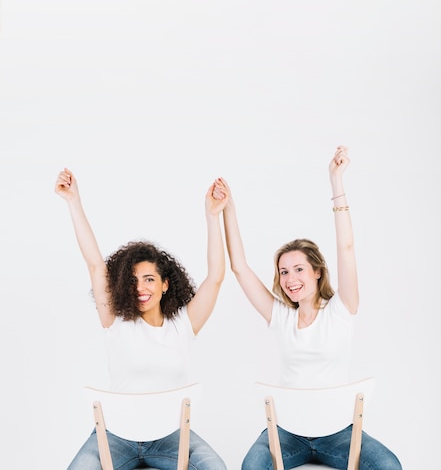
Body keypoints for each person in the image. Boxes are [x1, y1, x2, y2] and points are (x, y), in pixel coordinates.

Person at [216, 146, 402, 470]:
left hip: (338, 432)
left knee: (389, 465)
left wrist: (336, 182)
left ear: (317, 271)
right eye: (284, 272)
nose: (290, 279)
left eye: (299, 269)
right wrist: (228, 209)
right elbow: (241, 268)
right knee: (250, 466)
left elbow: (346, 246)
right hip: (287, 432)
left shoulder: (341, 309)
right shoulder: (280, 317)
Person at [55, 167, 228, 470]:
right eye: (133, 281)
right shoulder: (116, 322)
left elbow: (215, 277)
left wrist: (213, 216)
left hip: (170, 437)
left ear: (165, 284)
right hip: (115, 436)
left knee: (216, 467)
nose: (140, 288)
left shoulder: (182, 325)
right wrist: (73, 201)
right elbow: (96, 265)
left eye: (149, 279)